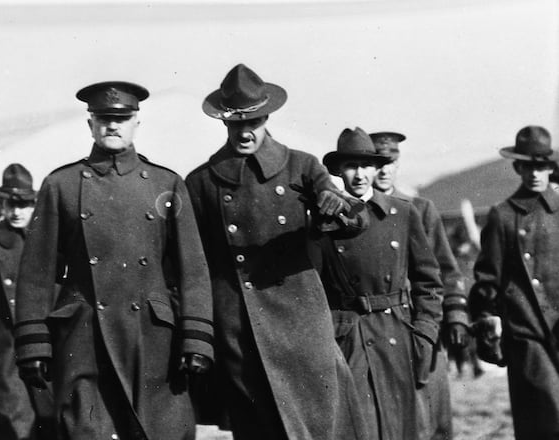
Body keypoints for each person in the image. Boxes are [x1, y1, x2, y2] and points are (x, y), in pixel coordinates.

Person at [12, 81, 214, 440]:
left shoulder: (165, 184)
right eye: (104, 119)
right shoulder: (61, 185)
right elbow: (36, 274)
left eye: (122, 118)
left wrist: (196, 338)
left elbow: (193, 270)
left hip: (152, 339)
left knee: (161, 431)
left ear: (137, 122)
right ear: (90, 124)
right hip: (84, 336)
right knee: (85, 430)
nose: (113, 126)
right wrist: (33, 343)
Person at [185, 63, 370, 440]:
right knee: (259, 424)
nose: (244, 131)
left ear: (267, 117)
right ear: (224, 123)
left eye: (252, 121)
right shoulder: (201, 182)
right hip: (239, 322)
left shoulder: (300, 166)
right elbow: (192, 263)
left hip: (300, 316)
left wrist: (334, 209)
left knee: (319, 418)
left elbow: (353, 216)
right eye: (236, 123)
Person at [318, 127, 444, 440]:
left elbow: (429, 282)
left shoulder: (402, 213)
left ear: (376, 168)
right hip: (350, 336)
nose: (359, 174)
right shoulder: (324, 222)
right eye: (350, 166)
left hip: (398, 335)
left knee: (401, 427)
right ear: (338, 171)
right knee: (360, 428)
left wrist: (425, 334)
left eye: (365, 165)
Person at [370, 131, 470, 440]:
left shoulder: (419, 209)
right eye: (377, 163)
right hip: (377, 329)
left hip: (421, 324)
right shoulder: (353, 212)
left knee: (430, 415)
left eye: (391, 162)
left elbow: (446, 270)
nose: (384, 170)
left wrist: (455, 315)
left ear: (398, 164)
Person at [469, 125, 559, 439]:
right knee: (544, 420)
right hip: (527, 333)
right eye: (528, 166)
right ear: (517, 167)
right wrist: (485, 320)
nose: (535, 173)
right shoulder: (503, 216)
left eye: (541, 165)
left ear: (550, 167)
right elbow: (487, 279)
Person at [0, 163, 53, 440]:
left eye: (25, 204)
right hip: (6, 352)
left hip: (50, 348)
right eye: (11, 204)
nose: (17, 212)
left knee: (52, 424)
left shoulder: (52, 241)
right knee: (9, 423)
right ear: (2, 204)